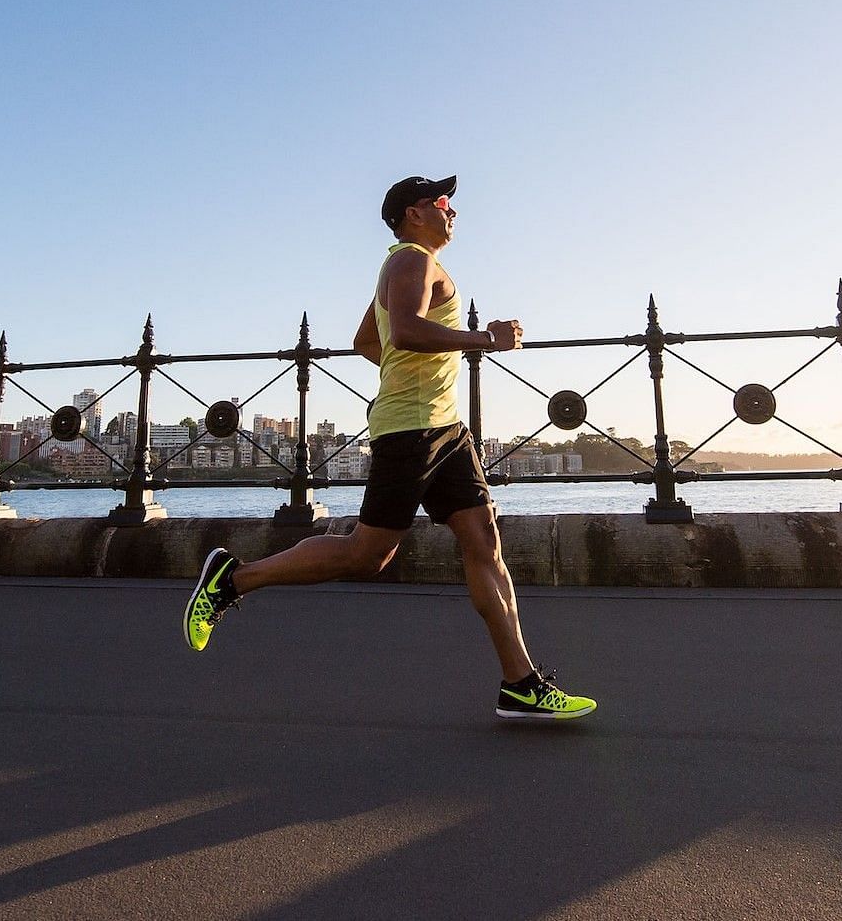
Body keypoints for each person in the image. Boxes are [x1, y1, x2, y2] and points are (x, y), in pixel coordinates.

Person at [183, 175, 595, 721]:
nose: (452, 211)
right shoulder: (410, 261)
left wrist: (414, 378)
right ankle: (231, 579)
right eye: (441, 202)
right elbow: (402, 332)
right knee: (366, 554)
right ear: (412, 213)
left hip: (446, 429)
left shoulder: (414, 264)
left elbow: (367, 342)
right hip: (412, 432)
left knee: (484, 539)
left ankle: (521, 683)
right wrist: (484, 340)